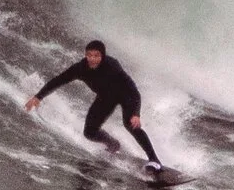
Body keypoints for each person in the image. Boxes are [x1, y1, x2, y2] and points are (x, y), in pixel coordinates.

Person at [26, 40, 163, 174]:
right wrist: (38, 97)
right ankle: (113, 144)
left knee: (130, 124)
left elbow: (133, 90)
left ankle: (154, 160)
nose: (92, 59)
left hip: (126, 95)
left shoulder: (112, 66)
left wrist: (136, 114)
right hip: (105, 98)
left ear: (102, 56)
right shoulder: (80, 68)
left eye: (96, 55)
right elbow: (59, 80)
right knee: (89, 132)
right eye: (89, 55)